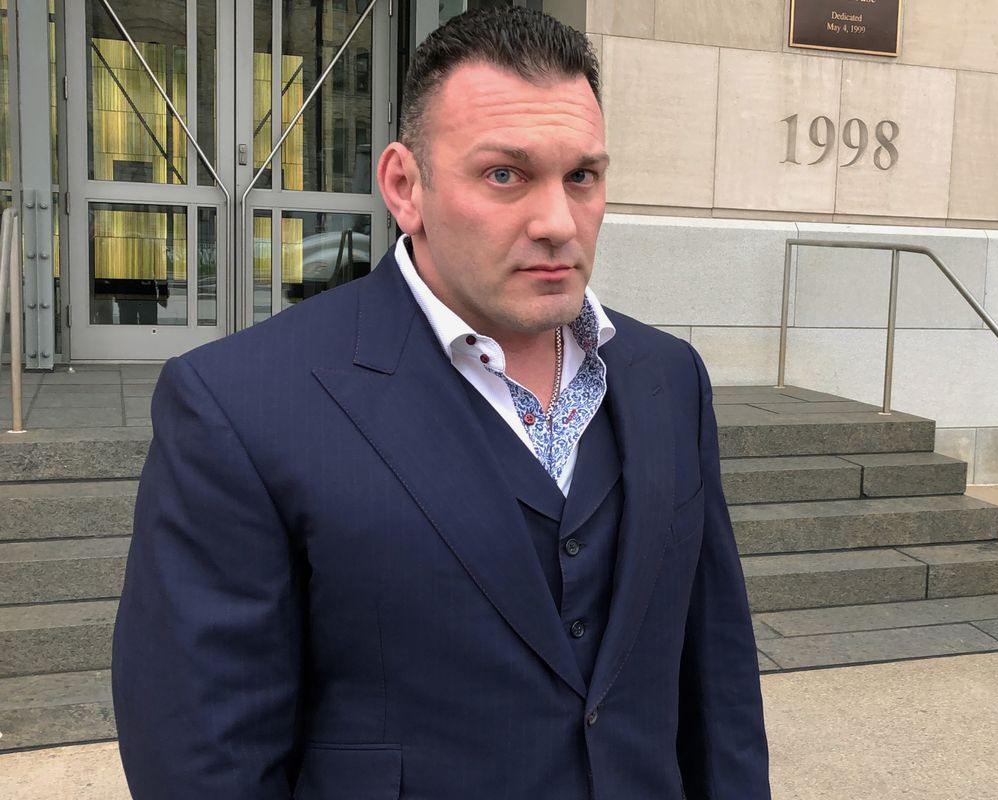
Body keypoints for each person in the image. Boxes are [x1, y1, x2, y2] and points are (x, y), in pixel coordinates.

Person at [112, 7, 770, 799]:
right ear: (404, 185)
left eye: (581, 177)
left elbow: (718, 679)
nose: (558, 222)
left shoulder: (668, 379)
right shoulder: (239, 405)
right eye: (505, 175)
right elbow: (201, 758)